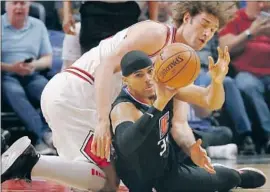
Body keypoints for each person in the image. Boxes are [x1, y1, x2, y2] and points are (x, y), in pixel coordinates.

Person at [2, 2, 232, 191]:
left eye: (213, 30)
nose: (207, 34)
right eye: (204, 24)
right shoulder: (156, 33)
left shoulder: (174, 66)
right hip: (77, 92)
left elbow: (207, 101)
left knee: (97, 180)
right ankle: (30, 163)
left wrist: (218, 81)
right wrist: (103, 120)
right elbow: (106, 66)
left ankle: (26, 166)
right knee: (108, 180)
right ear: (187, 17)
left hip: (73, 98)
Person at [109, 50, 266, 191]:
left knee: (230, 177)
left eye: (150, 71)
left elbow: (211, 102)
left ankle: (217, 170)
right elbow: (126, 145)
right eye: (139, 75)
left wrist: (216, 82)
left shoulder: (163, 86)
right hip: (143, 179)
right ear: (125, 80)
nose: (148, 79)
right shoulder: (123, 108)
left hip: (167, 166)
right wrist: (159, 104)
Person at [1, 1, 55, 155]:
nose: (19, 7)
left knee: (50, 92)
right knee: (15, 92)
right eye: (14, 3)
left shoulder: (38, 26)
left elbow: (48, 59)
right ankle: (44, 135)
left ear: (28, 6)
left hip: (32, 73)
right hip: (6, 74)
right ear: (6, 6)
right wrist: (11, 67)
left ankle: (45, 140)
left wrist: (33, 65)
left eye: (23, 3)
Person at [218, 1, 270, 153]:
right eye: (258, 2)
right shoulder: (236, 18)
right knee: (248, 86)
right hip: (246, 73)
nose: (262, 6)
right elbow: (223, 47)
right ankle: (268, 134)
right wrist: (250, 33)